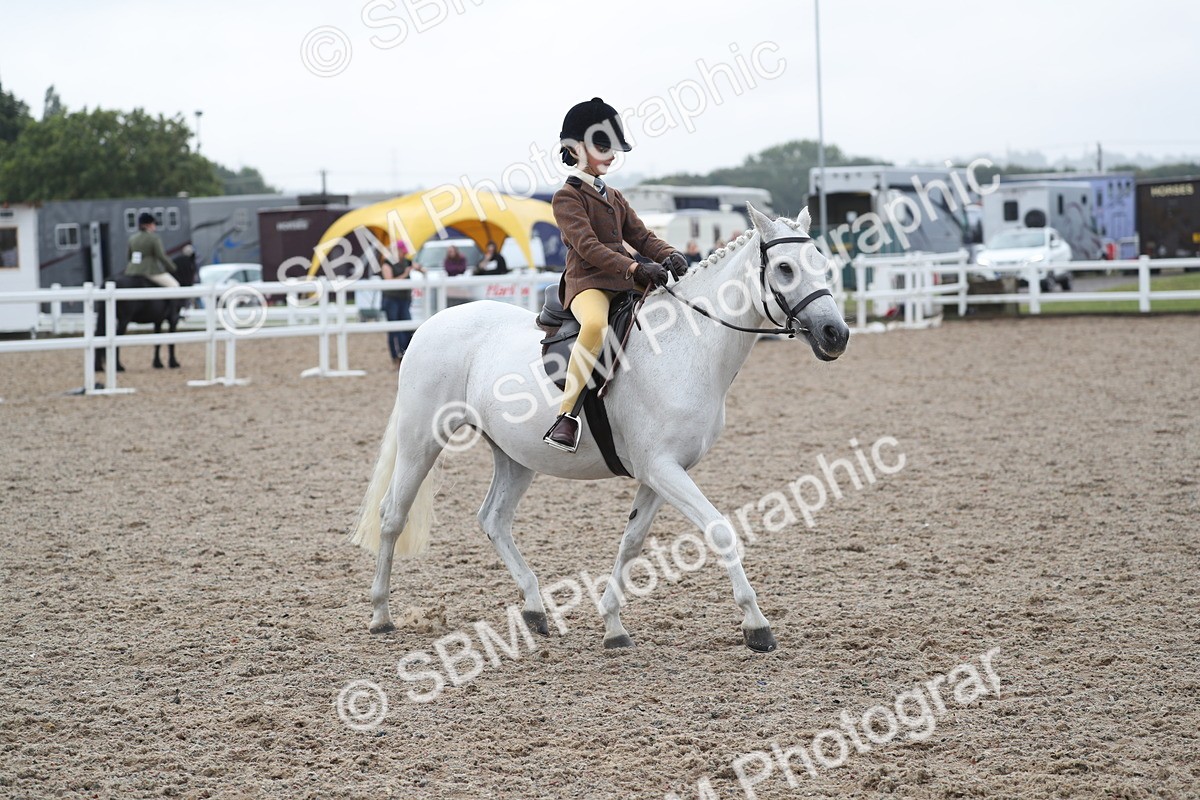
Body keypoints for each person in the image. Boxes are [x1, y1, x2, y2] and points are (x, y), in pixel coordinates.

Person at [543, 97, 689, 453]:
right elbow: (588, 247)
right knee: (595, 327)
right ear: (576, 149)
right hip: (588, 284)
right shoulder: (567, 197)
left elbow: (640, 236)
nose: (611, 156)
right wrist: (636, 267)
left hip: (626, 281)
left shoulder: (614, 195)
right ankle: (566, 417)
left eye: (613, 149)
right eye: (603, 147)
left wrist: (669, 254)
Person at [381, 242, 424, 367]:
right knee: (394, 329)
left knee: (406, 328)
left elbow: (421, 268)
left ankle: (406, 354)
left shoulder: (406, 261)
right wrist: (405, 274)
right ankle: (395, 356)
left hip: (404, 299)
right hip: (391, 299)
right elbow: (389, 281)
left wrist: (419, 268)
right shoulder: (387, 263)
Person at [125, 212, 179, 287]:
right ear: (148, 225)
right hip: (149, 270)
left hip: (131, 270)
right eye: (153, 224)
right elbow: (161, 256)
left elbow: (129, 256)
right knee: (174, 285)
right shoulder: (154, 238)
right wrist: (172, 267)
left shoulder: (132, 238)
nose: (155, 227)